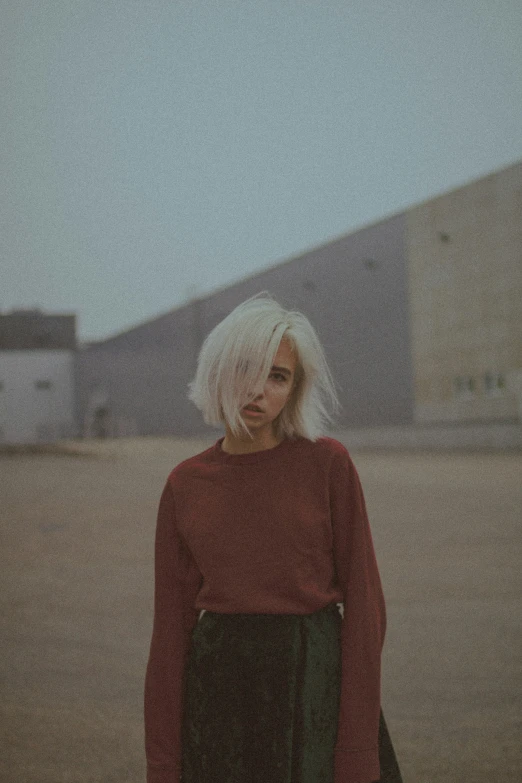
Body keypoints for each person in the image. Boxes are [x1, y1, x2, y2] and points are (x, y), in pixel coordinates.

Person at [144, 292, 402, 783]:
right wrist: (164, 763)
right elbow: (170, 631)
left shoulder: (327, 464)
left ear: (293, 390)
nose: (258, 390)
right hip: (218, 697)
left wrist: (356, 749)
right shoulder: (186, 483)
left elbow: (367, 610)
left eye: (277, 376)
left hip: (313, 689)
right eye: (246, 369)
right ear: (217, 371)